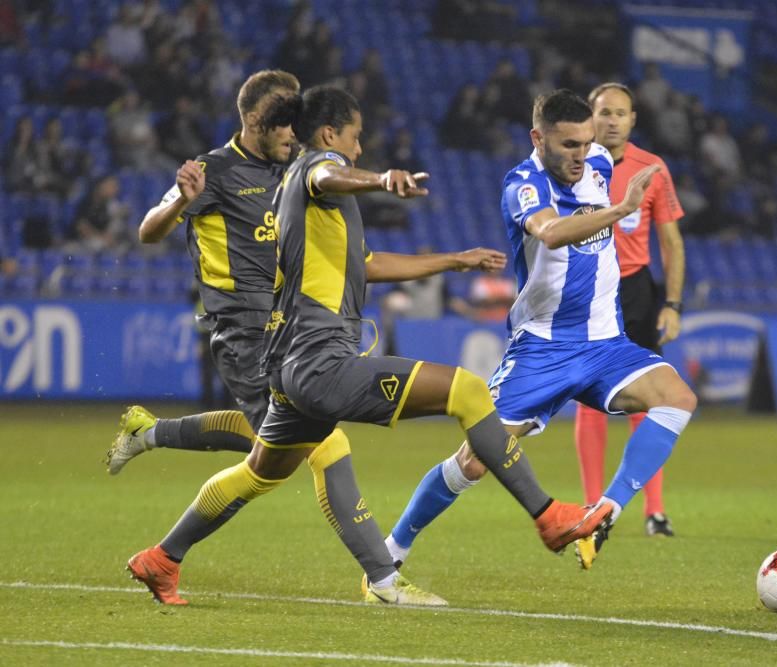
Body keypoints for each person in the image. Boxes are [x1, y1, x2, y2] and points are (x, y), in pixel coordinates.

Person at [125, 85, 612, 607]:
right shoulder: (317, 167)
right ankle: (547, 518)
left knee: (263, 469)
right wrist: (380, 179)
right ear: (332, 133)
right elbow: (327, 171)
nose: (359, 149)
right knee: (469, 392)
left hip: (290, 368)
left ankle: (162, 557)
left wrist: (452, 260)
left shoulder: (291, 185)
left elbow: (364, 264)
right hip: (320, 363)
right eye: (356, 138)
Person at [385, 89, 697, 573]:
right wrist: (618, 211)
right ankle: (391, 551)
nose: (581, 154)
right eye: (568, 144)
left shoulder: (599, 162)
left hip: (605, 343)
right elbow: (550, 232)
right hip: (544, 349)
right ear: (539, 138)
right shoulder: (522, 184)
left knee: (677, 397)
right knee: (474, 460)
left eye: (586, 142)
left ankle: (606, 508)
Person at [104, 70, 302, 476]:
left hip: (290, 323)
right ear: (253, 119)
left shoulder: (292, 167)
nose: (292, 130)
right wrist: (180, 204)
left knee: (286, 437)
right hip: (244, 325)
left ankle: (148, 432)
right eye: (283, 118)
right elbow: (147, 231)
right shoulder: (214, 170)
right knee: (289, 443)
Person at [575, 82, 686, 539]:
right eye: (604, 112)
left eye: (621, 113)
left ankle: (653, 511)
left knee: (650, 400)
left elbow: (672, 243)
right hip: (589, 290)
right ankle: (589, 504)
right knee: (590, 402)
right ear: (591, 116)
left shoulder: (653, 169)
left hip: (636, 292)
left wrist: (673, 304)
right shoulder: (574, 166)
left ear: (634, 118)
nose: (613, 120)